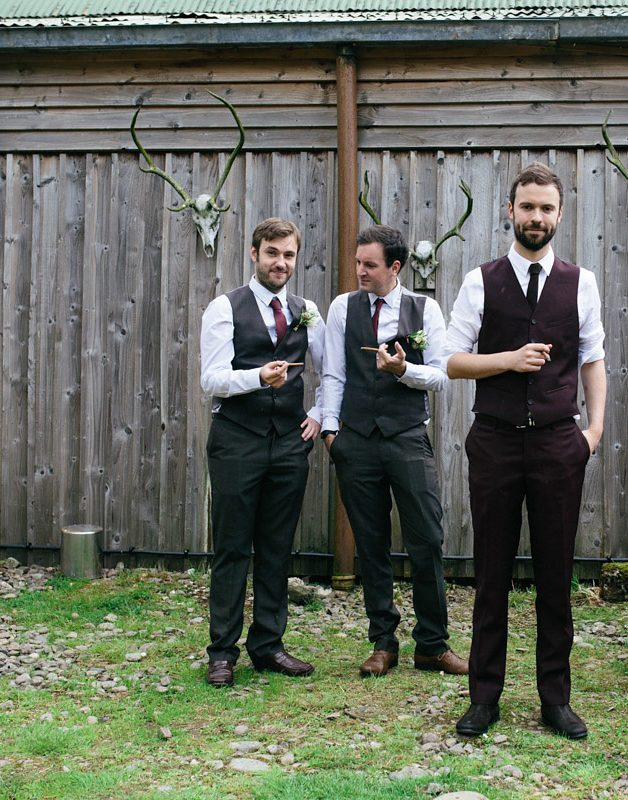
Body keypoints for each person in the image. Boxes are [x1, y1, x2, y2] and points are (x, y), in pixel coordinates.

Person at [446, 162, 607, 740]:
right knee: (490, 575)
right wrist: (508, 360)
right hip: (493, 440)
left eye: (546, 208)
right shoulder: (479, 280)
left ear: (559, 215)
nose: (535, 216)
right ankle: (484, 698)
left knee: (555, 578)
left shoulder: (579, 281)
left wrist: (593, 432)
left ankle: (555, 700)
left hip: (560, 444)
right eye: (526, 206)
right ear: (509, 211)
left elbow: (592, 359)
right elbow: (452, 359)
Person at [320, 224, 468, 678]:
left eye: (369, 265)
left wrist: (405, 369)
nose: (360, 271)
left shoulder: (426, 308)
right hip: (357, 441)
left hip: (407, 437)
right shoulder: (343, 308)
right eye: (358, 262)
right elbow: (334, 374)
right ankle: (383, 642)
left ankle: (432, 645)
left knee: (426, 538)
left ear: (395, 267)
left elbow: (442, 375)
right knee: (371, 543)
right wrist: (332, 434)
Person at [199, 217, 326, 688]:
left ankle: (269, 645)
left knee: (276, 547)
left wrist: (321, 414)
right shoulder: (224, 308)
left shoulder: (306, 309)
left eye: (289, 254)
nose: (281, 262)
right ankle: (221, 652)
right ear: (254, 254)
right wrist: (256, 377)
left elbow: (331, 371)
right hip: (237, 439)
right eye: (272, 252)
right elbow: (211, 378)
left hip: (289, 444)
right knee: (233, 546)